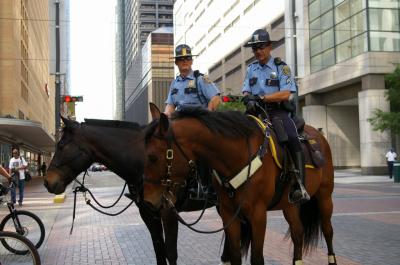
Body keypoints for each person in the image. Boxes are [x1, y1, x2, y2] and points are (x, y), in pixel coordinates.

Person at [241, 28, 309, 204]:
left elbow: (286, 93)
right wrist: (248, 98)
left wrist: (263, 97)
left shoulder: (281, 67)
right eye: (255, 48)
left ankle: (299, 185)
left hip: (277, 112)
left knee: (292, 137)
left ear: (270, 47)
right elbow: (246, 90)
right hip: (255, 112)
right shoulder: (251, 69)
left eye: (261, 47)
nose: (258, 51)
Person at [164, 44, 222, 117]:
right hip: (180, 121)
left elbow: (215, 98)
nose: (184, 61)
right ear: (176, 62)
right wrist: (165, 115)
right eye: (181, 59)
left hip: (199, 120)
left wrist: (208, 116)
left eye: (188, 58)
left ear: (191, 61)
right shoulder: (174, 83)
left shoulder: (202, 78)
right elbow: (170, 106)